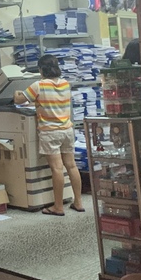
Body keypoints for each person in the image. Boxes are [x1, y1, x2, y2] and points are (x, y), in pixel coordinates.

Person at [13, 54, 84, 216]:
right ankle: (78, 202)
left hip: (50, 132)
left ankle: (58, 207)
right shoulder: (65, 83)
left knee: (57, 169)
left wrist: (16, 92)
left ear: (41, 70)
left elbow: (19, 100)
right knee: (71, 166)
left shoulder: (38, 85)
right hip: (67, 130)